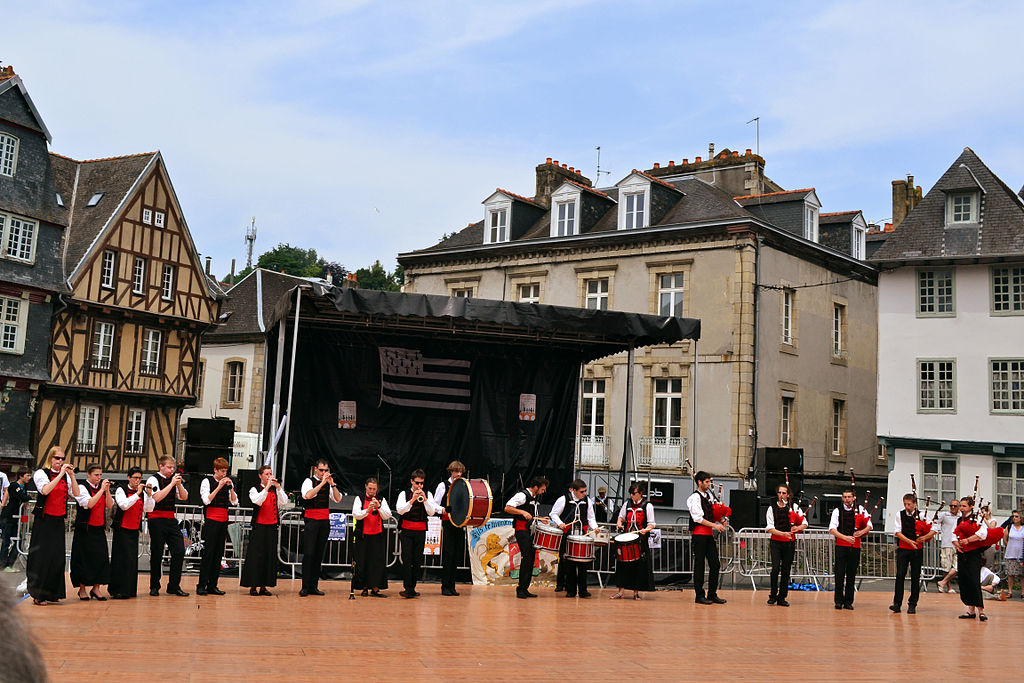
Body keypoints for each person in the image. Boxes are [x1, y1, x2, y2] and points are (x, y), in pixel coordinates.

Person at [26, 446, 81, 605]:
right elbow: (45, 490)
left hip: (58, 520)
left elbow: (76, 494)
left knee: (56, 557)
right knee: (42, 557)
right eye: (57, 458)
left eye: (63, 459)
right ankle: (38, 593)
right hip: (44, 520)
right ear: (51, 458)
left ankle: (52, 592)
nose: (60, 461)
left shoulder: (65, 476)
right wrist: (61, 474)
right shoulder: (41, 473)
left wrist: (71, 476)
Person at [952, 496, 1005, 621]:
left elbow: (982, 534)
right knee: (965, 581)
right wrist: (957, 544)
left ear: (971, 507)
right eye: (960, 506)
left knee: (974, 581)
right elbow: (953, 534)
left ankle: (980, 610)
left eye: (964, 506)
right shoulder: (959, 519)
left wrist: (968, 540)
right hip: (962, 553)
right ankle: (970, 610)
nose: (961, 508)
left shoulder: (976, 519)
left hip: (973, 554)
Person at [241, 465, 288, 596]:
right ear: (260, 476)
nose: (269, 476)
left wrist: (278, 487)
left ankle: (264, 586)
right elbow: (257, 501)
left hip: (271, 526)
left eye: (270, 473)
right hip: (259, 527)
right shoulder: (254, 489)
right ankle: (253, 586)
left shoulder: (274, 489)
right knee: (256, 557)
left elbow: (284, 502)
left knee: (269, 556)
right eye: (266, 474)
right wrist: (266, 488)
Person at [146, 455, 190, 597]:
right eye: (169, 467)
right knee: (157, 553)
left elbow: (184, 497)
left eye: (173, 467)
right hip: (156, 519)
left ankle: (173, 585)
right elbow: (157, 497)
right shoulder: (153, 479)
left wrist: (177, 484)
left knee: (179, 550)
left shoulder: (173, 481)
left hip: (170, 519)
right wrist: (171, 484)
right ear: (161, 466)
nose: (172, 470)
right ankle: (154, 586)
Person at [69, 464, 113, 601]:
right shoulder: (82, 487)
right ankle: (82, 590)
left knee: (101, 559)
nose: (99, 478)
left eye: (100, 475)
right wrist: (101, 490)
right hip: (85, 529)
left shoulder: (101, 488)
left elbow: (110, 505)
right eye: (96, 475)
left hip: (98, 528)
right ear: (88, 474)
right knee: (83, 559)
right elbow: (89, 504)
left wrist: (107, 491)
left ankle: (96, 588)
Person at [299, 458, 342, 596]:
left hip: (324, 521)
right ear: (316, 469)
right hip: (311, 520)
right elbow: (307, 495)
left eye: (326, 470)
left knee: (318, 554)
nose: (324, 472)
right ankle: (305, 586)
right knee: (309, 553)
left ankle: (314, 586)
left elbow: (338, 499)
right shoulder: (308, 481)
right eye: (322, 470)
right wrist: (322, 483)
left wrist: (332, 485)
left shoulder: (328, 483)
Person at [550, 479, 599, 598]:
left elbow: (590, 517)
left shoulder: (587, 501)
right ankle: (570, 590)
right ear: (574, 491)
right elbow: (553, 514)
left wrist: (595, 527)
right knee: (568, 563)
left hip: (581, 535)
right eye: (582, 492)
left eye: (585, 491)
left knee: (583, 563)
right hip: (567, 535)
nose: (584, 494)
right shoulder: (563, 499)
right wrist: (560, 523)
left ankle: (583, 590)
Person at [196, 458, 239, 596]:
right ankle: (201, 584)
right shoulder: (207, 481)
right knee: (208, 554)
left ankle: (213, 585)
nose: (223, 474)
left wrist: (231, 488)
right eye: (221, 471)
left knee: (218, 554)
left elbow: (234, 502)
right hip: (211, 520)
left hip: (223, 520)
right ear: (215, 470)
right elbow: (206, 500)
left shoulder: (227, 483)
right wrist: (219, 486)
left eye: (225, 471)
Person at [109, 467, 152, 599]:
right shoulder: (121, 489)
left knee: (131, 561)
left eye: (140, 478)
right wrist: (137, 493)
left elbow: (149, 508)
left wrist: (149, 496)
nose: (138, 481)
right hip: (122, 530)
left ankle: (129, 590)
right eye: (135, 478)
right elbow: (124, 505)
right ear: (129, 478)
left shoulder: (141, 493)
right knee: (120, 560)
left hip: (134, 530)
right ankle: (117, 590)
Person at [503, 475, 549, 599]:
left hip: (529, 530)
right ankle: (521, 589)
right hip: (521, 529)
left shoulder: (533, 497)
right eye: (542, 489)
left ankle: (524, 588)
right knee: (527, 558)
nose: (543, 492)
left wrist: (540, 519)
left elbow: (530, 515)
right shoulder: (522, 496)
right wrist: (522, 512)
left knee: (530, 559)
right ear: (535, 487)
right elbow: (507, 507)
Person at [890, 493, 936, 614]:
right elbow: (897, 532)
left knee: (915, 577)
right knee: (900, 575)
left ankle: (912, 604)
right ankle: (897, 603)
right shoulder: (899, 514)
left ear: (915, 504)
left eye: (909, 504)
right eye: (905, 504)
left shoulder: (921, 515)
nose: (906, 506)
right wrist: (909, 541)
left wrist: (924, 537)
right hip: (904, 548)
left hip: (917, 549)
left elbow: (934, 529)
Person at [395, 469, 438, 598]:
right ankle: (407, 587)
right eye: (417, 483)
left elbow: (431, 512)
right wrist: (412, 500)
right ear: (412, 481)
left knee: (417, 560)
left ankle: (413, 587)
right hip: (407, 530)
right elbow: (400, 511)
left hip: (420, 530)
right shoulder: (404, 493)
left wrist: (425, 500)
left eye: (422, 484)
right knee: (407, 559)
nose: (419, 486)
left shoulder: (428, 494)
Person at [687, 471, 728, 605]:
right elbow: (698, 518)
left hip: (708, 535)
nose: (709, 484)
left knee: (715, 565)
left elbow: (712, 513)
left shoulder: (708, 496)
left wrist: (721, 519)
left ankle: (712, 594)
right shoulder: (694, 498)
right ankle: (699, 595)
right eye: (706, 482)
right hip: (699, 534)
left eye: (709, 481)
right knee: (699, 565)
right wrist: (715, 526)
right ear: (699, 482)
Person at [828, 488, 872, 610]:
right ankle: (838, 600)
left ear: (853, 498)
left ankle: (848, 601)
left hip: (855, 546)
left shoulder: (861, 509)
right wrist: (845, 538)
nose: (847, 499)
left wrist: (861, 532)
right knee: (839, 574)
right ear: (842, 498)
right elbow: (832, 529)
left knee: (851, 575)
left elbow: (869, 525)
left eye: (849, 497)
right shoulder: (837, 511)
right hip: (841, 546)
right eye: (845, 497)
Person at [610, 483, 655, 600]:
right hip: (627, 537)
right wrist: (619, 522)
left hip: (639, 539)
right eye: (631, 493)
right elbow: (621, 517)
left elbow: (652, 523)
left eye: (634, 493)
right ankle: (620, 591)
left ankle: (636, 592)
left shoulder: (647, 505)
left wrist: (646, 530)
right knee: (622, 564)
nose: (631, 495)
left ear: (641, 493)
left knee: (637, 566)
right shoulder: (627, 503)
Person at [765, 483, 807, 607]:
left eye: (784, 493)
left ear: (788, 495)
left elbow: (805, 523)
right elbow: (770, 527)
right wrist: (783, 534)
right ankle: (773, 595)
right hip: (776, 542)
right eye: (780, 493)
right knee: (775, 568)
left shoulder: (794, 507)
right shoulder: (771, 508)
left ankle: (782, 597)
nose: (781, 495)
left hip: (789, 543)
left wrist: (797, 528)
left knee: (786, 570)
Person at [352, 477, 392, 597]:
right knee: (363, 562)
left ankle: (375, 588)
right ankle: (364, 588)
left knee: (376, 563)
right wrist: (367, 510)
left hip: (377, 535)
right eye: (370, 488)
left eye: (374, 489)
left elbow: (387, 515)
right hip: (363, 536)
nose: (372, 491)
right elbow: (356, 514)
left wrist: (379, 507)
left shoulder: (381, 499)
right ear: (365, 487)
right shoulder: (359, 498)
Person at [433, 460, 466, 596]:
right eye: (456, 471)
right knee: (449, 554)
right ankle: (445, 586)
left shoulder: (464, 486)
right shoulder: (443, 485)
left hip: (460, 524)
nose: (458, 474)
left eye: (460, 472)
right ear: (451, 471)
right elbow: (434, 504)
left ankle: (452, 585)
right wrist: (443, 510)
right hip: (448, 522)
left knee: (456, 555)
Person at [1, 469, 31, 571]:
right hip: (9, 517)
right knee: (6, 541)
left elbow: (25, 499)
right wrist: (27, 498)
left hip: (17, 517)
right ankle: (3, 564)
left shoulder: (25, 487)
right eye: (27, 475)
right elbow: (22, 497)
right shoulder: (14, 486)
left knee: (20, 541)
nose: (29, 477)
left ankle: (10, 563)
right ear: (21, 476)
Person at [935, 500, 959, 593]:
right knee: (946, 567)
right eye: (951, 506)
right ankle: (948, 586)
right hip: (947, 543)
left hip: (957, 544)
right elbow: (935, 521)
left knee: (957, 566)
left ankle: (942, 582)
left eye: (955, 506)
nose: (952, 507)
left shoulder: (960, 517)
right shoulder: (945, 515)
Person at [1003, 510, 1024, 599]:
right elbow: (1005, 538)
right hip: (1011, 553)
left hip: (1021, 554)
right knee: (1010, 574)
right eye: (1013, 516)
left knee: (1022, 575)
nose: (1014, 518)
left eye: (1016, 516)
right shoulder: (1010, 527)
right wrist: (1009, 546)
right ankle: (1010, 591)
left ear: (1021, 518)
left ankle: (1023, 591)